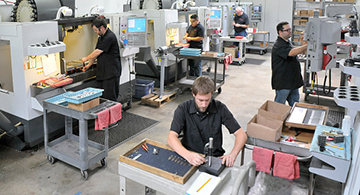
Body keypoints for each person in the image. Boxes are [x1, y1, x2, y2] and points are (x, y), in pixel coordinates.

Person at [167, 76, 247, 167]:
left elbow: (241, 135)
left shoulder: (220, 108)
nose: (204, 105)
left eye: (207, 100)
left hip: (214, 158)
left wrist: (232, 155)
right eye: (200, 100)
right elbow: (171, 138)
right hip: (190, 157)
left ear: (211, 94)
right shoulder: (183, 109)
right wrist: (188, 155)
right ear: (193, 94)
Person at [82, 16, 121, 102]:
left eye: (96, 30)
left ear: (102, 28)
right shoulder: (101, 38)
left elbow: (98, 52)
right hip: (103, 73)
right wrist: (88, 65)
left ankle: (114, 115)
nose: (95, 32)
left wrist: (86, 58)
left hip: (111, 74)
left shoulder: (109, 37)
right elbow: (96, 52)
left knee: (110, 99)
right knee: (103, 99)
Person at [271, 21, 307, 107]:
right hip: (284, 82)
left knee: (295, 105)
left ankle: (292, 120)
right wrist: (307, 45)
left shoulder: (287, 42)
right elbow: (291, 53)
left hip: (292, 81)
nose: (290, 31)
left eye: (290, 29)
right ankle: (276, 120)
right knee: (279, 107)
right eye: (287, 30)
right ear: (280, 32)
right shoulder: (278, 44)